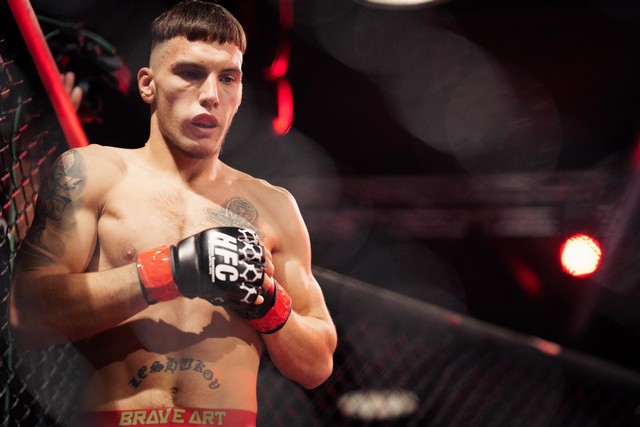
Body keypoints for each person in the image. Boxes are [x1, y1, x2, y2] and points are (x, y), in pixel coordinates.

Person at [9, 1, 337, 426]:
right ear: (148, 85)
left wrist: (266, 302)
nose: (211, 95)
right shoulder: (91, 173)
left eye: (228, 78)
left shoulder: (274, 205)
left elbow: (317, 365)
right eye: (190, 73)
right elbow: (28, 316)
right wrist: (172, 270)